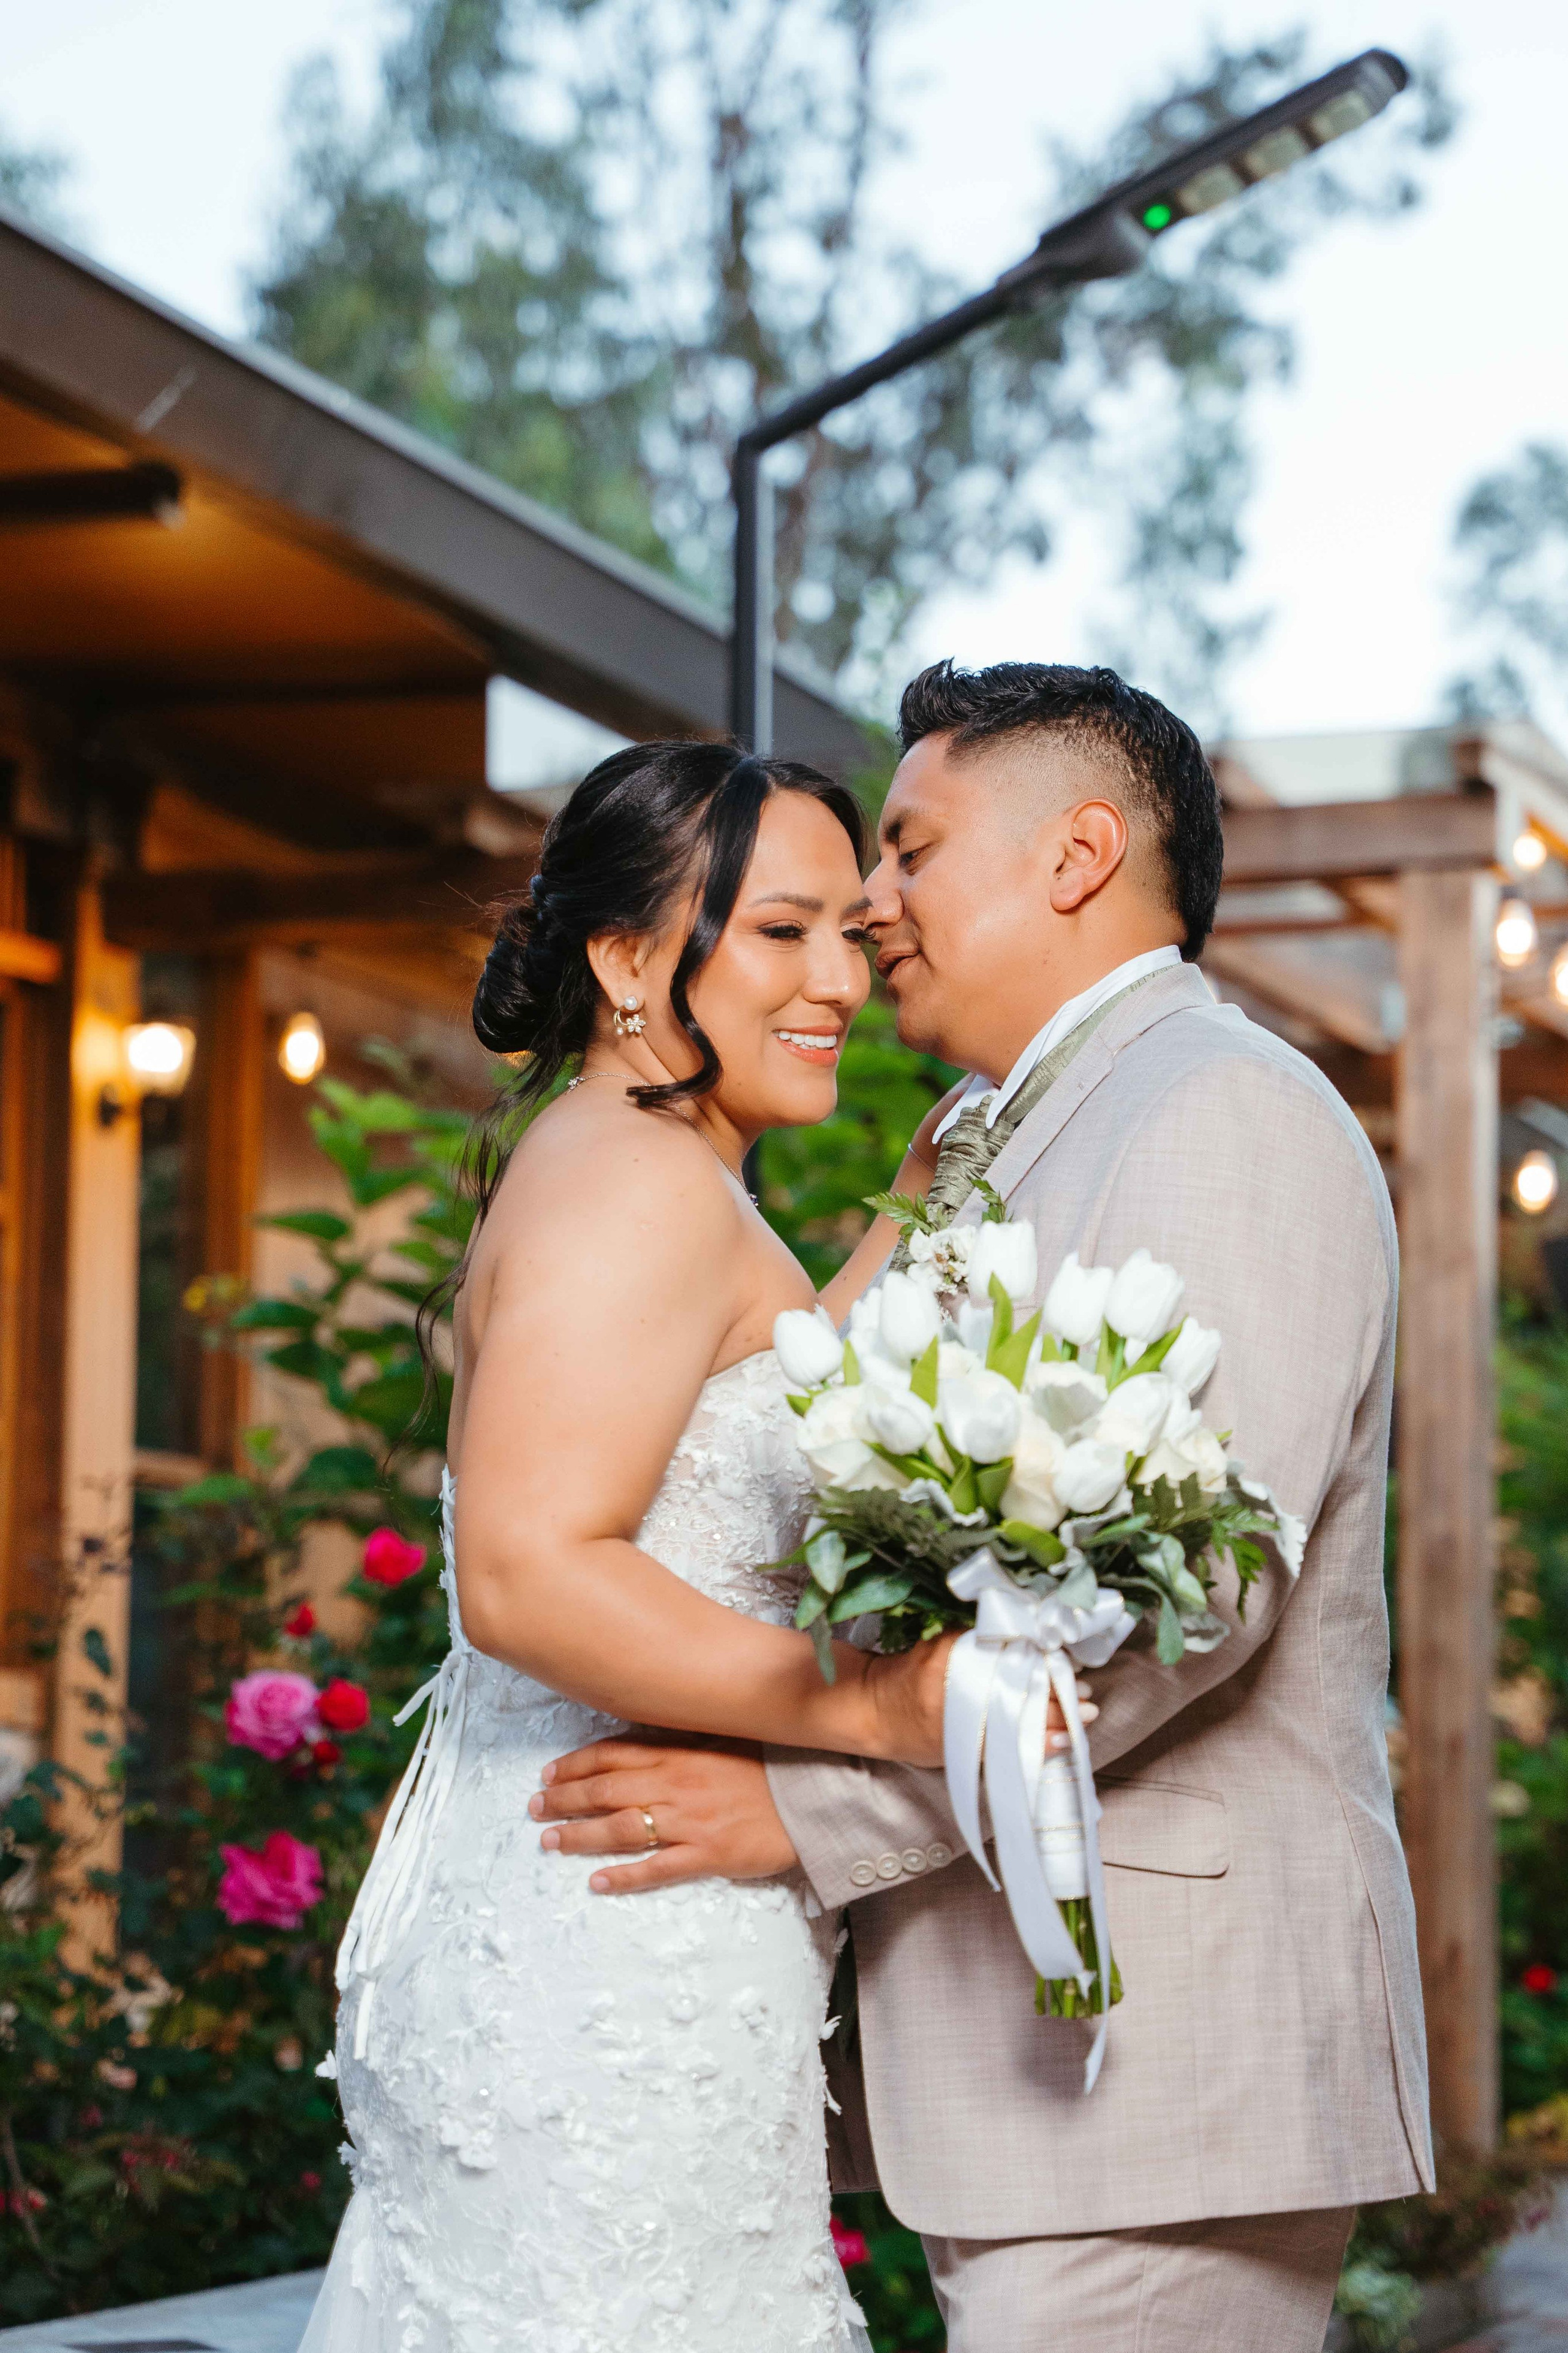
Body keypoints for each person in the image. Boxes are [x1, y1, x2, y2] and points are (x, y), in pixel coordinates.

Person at [536, 662, 1434, 2353]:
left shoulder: (1222, 1109)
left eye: (910, 847)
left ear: (1079, 853)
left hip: (1159, 2067)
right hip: (1035, 2076)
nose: (870, 906)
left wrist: (803, 1818)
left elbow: (1182, 1609)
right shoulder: (992, 1138)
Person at [299, 741, 986, 2353]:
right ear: (625, 957)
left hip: (584, 1929)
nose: (842, 980)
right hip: (605, 1962)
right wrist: (864, 1710)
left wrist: (912, 1210)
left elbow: (716, 1420)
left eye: (850, 936)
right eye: (782, 932)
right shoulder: (639, 1185)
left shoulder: (635, 1164)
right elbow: (532, 1569)